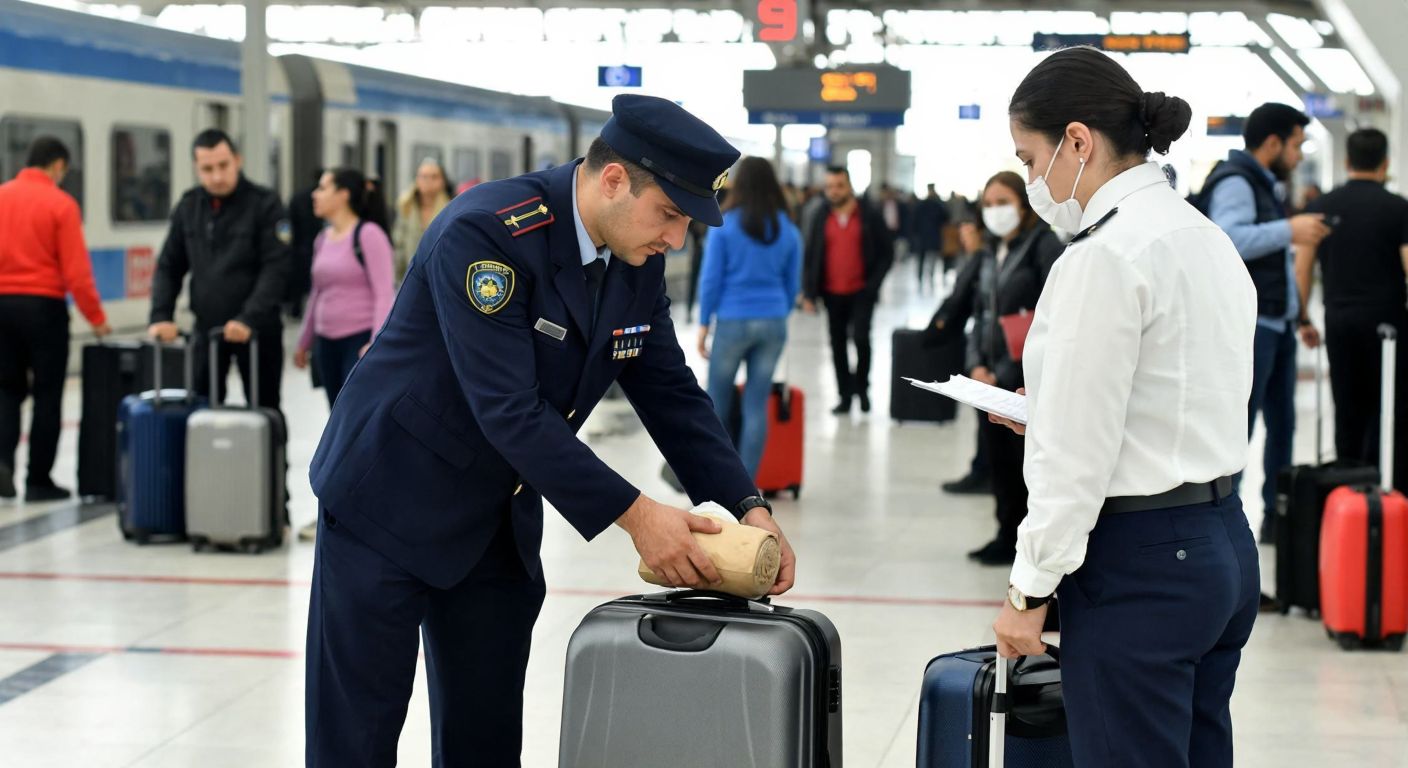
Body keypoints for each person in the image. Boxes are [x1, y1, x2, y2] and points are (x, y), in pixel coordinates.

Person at [304, 94, 797, 767]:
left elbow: (671, 392)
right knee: (355, 741)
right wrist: (637, 515)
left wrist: (748, 505)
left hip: (493, 522)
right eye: (671, 215)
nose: (676, 240)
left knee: (486, 739)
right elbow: (509, 408)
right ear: (615, 180)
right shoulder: (488, 235)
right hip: (387, 505)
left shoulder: (635, 257)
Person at [988, 47, 1259, 768]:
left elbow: (1075, 458)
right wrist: (1049, 407)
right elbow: (1179, 389)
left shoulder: (1102, 257)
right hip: (1222, 544)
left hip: (1141, 566)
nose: (1029, 182)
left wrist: (1027, 589)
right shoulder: (1205, 237)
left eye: (1028, 158)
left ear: (1078, 141)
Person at [1199, 103, 1330, 542]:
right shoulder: (1237, 182)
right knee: (1242, 426)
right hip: (1251, 330)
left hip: (1277, 324)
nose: (1298, 155)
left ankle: (1278, 515)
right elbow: (1227, 237)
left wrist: (1300, 315)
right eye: (1295, 145)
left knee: (1282, 425)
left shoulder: (1266, 184)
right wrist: (1288, 230)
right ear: (1272, 143)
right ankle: (1224, 522)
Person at [956, 171, 1063, 566]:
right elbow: (982, 313)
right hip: (989, 375)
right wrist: (976, 364)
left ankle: (1024, 542)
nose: (994, 212)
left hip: (1021, 378)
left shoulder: (1043, 246)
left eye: (1002, 202)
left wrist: (1001, 371)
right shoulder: (989, 251)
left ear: (1023, 203)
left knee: (1023, 466)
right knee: (999, 462)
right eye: (987, 204)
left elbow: (1041, 317)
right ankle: (1005, 533)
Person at [0, 136, 112, 502]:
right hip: (44, 310)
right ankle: (38, 480)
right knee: (47, 395)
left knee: (4, 391)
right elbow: (76, 273)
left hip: (2, 307)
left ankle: (2, 468)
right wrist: (95, 317)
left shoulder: (1, 197)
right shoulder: (61, 205)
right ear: (58, 166)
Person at [148, 129, 291, 415]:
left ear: (237, 160)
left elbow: (276, 267)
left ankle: (272, 461)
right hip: (207, 329)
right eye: (207, 169)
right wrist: (161, 315)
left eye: (223, 166)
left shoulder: (265, 204)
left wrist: (248, 318)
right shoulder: (189, 207)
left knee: (265, 409)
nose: (216, 176)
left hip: (257, 330)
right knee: (202, 406)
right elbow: (169, 266)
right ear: (196, 168)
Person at [1297, 128, 1408, 490]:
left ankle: (1346, 485)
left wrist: (1303, 318)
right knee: (1385, 404)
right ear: (1386, 162)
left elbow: (1303, 266)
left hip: (1338, 317)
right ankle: (1381, 488)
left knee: (1345, 402)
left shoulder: (1322, 207)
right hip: (1387, 323)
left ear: (1346, 162)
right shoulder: (1398, 208)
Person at [696, 156, 803, 477]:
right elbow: (792, 284)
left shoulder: (725, 224)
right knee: (756, 405)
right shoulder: (787, 229)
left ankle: (715, 481)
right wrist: (776, 313)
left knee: (716, 403)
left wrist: (703, 323)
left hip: (732, 320)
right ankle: (747, 490)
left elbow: (711, 279)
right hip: (772, 323)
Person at [801, 166, 894, 415]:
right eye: (829, 186)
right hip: (832, 293)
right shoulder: (819, 215)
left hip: (862, 290)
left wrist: (873, 284)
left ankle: (862, 388)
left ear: (850, 186)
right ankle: (845, 395)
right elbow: (811, 254)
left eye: (839, 185)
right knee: (838, 344)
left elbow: (887, 252)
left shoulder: (869, 214)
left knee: (862, 339)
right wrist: (809, 292)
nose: (834, 191)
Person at [391, 158, 452, 284]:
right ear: (416, 180)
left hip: (440, 280)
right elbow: (398, 246)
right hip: (409, 279)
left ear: (443, 181)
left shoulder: (450, 209)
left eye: (434, 177)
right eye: (423, 176)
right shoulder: (405, 207)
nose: (428, 181)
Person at [912, 183, 952, 292]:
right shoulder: (937, 204)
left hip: (924, 237)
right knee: (929, 260)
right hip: (932, 236)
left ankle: (922, 279)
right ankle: (927, 279)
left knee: (924, 260)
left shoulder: (924, 205)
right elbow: (946, 217)